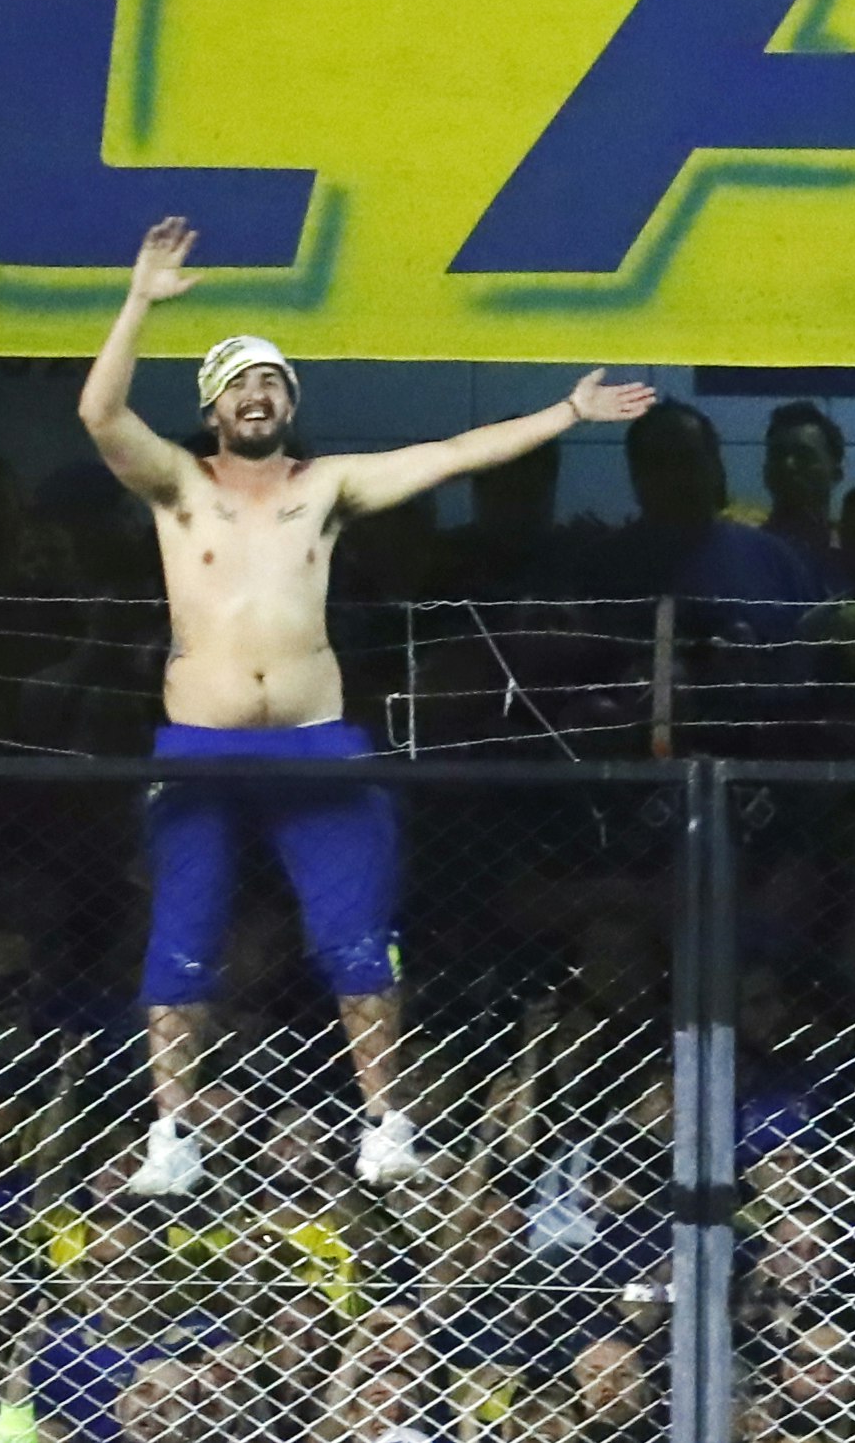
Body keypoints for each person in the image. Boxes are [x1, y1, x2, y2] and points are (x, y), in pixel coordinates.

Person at [75, 216, 654, 1198]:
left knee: (356, 938)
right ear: (212, 407)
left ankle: (385, 1122)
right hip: (203, 744)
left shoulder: (326, 486)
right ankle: (172, 1131)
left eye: (273, 383)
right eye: (239, 384)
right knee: (181, 938)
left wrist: (567, 411)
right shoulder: (178, 486)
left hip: (313, 740)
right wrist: (138, 300)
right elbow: (99, 414)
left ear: (289, 404)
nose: (257, 396)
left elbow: (456, 453)